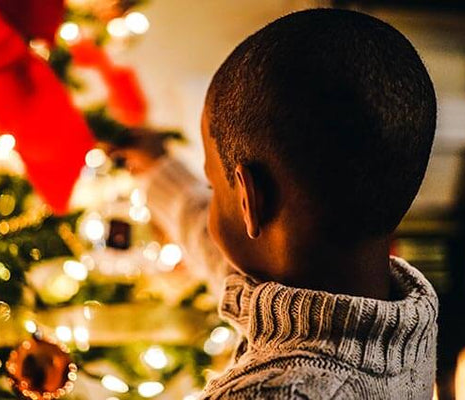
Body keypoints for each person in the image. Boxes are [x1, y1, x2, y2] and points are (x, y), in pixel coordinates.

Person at [110, 8, 438, 399]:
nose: (211, 197)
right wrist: (157, 169)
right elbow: (229, 259)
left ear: (250, 199)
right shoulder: (397, 318)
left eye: (215, 186)